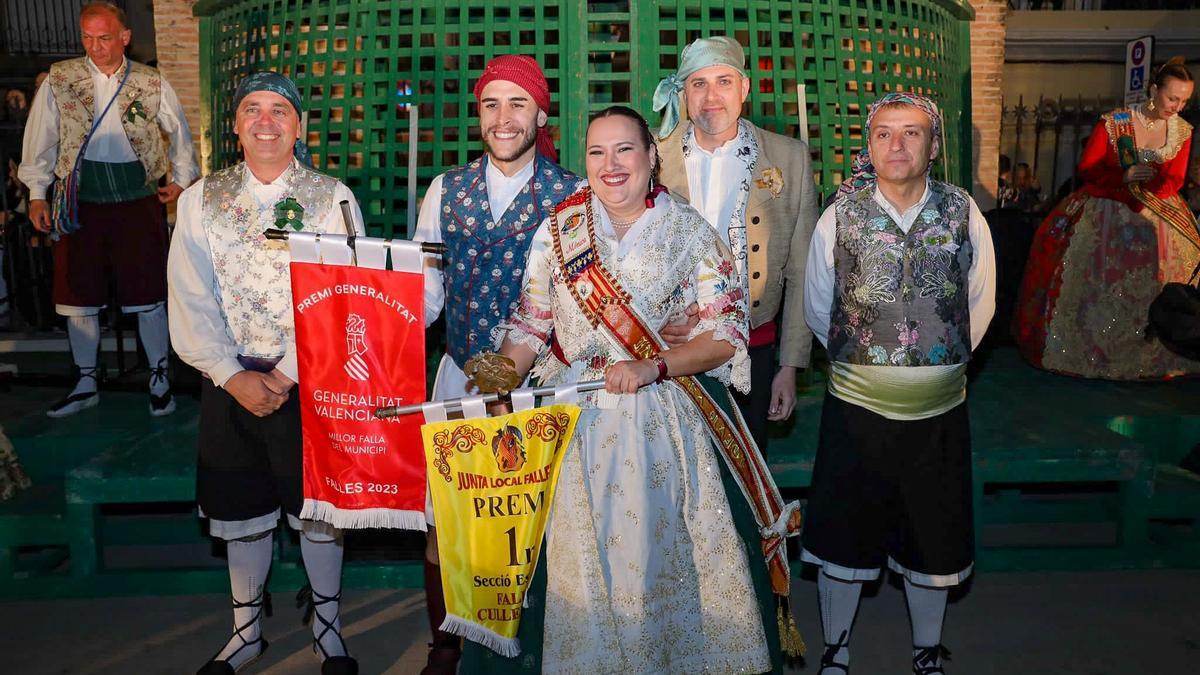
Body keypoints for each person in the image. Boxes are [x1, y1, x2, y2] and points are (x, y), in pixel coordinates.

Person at [488, 105, 775, 674]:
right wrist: (499, 377)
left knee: (655, 563)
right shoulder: (560, 228)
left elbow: (726, 335)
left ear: (650, 157)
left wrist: (655, 367)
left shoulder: (690, 230)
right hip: (572, 424)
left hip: (659, 426)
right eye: (597, 152)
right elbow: (530, 322)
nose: (610, 164)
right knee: (579, 568)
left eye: (624, 149)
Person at [167, 72, 362, 675]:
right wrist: (230, 373)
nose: (266, 121)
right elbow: (189, 294)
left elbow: (346, 294)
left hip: (311, 379)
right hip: (230, 381)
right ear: (235, 125)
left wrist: (289, 374)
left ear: (299, 126)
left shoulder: (333, 197)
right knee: (241, 509)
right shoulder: (200, 198)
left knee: (318, 511)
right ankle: (246, 631)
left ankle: (327, 626)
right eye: (253, 109)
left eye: (280, 110)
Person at [803, 93, 996, 675]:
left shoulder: (963, 211)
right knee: (844, 535)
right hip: (857, 409)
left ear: (933, 146)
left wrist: (939, 361)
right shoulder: (840, 213)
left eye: (912, 134)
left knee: (932, 535)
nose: (897, 145)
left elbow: (980, 301)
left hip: (938, 412)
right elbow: (818, 304)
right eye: (884, 133)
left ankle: (926, 649)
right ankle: (836, 649)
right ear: (869, 144)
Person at [412, 53, 580, 675]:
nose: (503, 118)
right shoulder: (445, 189)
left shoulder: (571, 195)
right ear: (478, 114)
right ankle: (445, 645)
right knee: (447, 519)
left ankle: (539, 639)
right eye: (491, 104)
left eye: (517, 104)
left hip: (543, 383)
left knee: (541, 520)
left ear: (540, 112)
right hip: (459, 374)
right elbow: (427, 290)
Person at [19, 1, 198, 417]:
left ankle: (159, 377)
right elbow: (39, 136)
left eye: (103, 37)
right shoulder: (61, 79)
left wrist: (182, 179)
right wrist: (37, 193)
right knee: (77, 292)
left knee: (148, 290)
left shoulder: (151, 82)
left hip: (137, 199)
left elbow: (180, 131)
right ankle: (85, 382)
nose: (94, 47)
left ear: (124, 37)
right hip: (79, 199)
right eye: (87, 37)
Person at [653, 35, 818, 455]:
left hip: (754, 349)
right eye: (699, 84)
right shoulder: (651, 154)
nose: (712, 97)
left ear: (745, 88)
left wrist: (789, 366)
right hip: (666, 348)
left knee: (744, 480)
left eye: (724, 82)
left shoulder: (789, 157)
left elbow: (802, 269)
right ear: (683, 92)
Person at [1015, 57, 1198, 380]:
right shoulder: (1116, 123)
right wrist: (1123, 177)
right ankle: (1098, 351)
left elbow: (1175, 179)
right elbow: (1087, 169)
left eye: (1185, 100)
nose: (1178, 106)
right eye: (1173, 98)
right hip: (1106, 210)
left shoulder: (1182, 131)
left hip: (1158, 218)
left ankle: (1154, 352)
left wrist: (1148, 185)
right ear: (1154, 90)